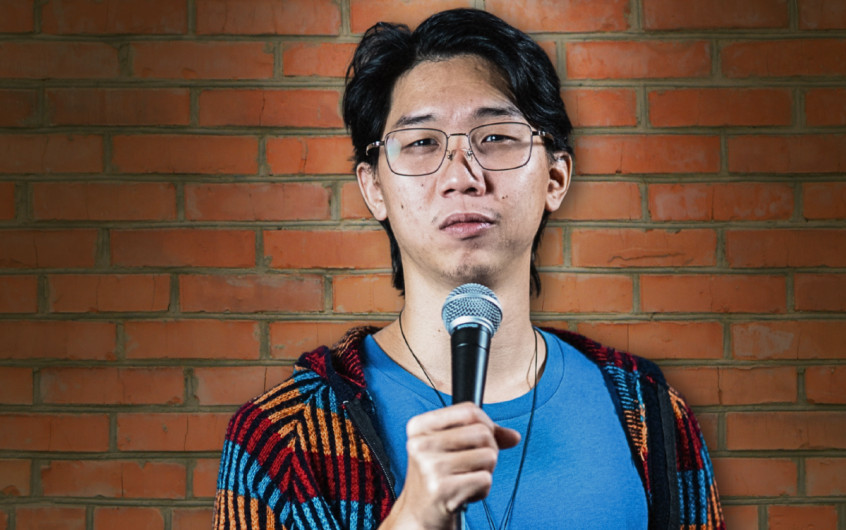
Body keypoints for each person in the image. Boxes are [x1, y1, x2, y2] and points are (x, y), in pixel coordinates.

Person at [214, 8, 723, 530]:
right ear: (374, 188)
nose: (462, 176)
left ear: (555, 177)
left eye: (496, 137)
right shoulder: (281, 442)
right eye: (421, 143)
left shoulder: (650, 412)